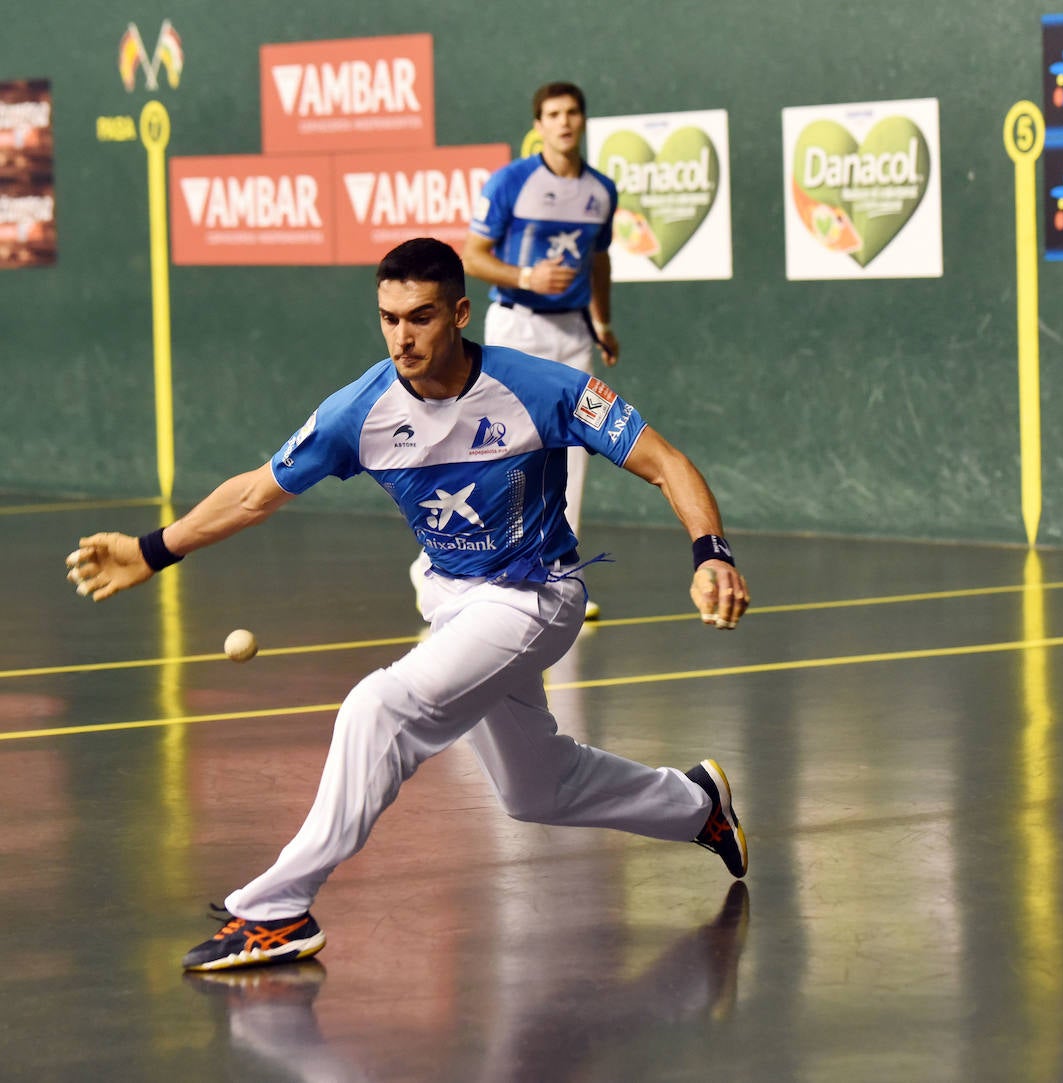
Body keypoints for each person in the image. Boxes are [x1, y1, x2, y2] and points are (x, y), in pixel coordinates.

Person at [65, 237, 749, 971]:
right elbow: (256, 492)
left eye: (420, 317)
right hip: (452, 600)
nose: (402, 336)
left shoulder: (540, 388)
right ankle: (696, 804)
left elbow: (664, 460)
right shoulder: (358, 411)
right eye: (388, 318)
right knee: (534, 788)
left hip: (534, 595)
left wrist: (710, 550)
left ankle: (276, 909)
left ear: (459, 312)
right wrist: (152, 548)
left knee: (379, 706)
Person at [405, 81, 618, 619]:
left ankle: (556, 567)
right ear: (539, 125)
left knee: (573, 452)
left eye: (573, 112)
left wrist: (602, 319)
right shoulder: (511, 184)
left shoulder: (601, 191)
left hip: (573, 335)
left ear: (583, 121)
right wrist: (526, 275)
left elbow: (598, 260)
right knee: (498, 446)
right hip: (516, 329)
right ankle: (438, 560)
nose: (565, 122)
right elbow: (473, 257)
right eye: (553, 114)